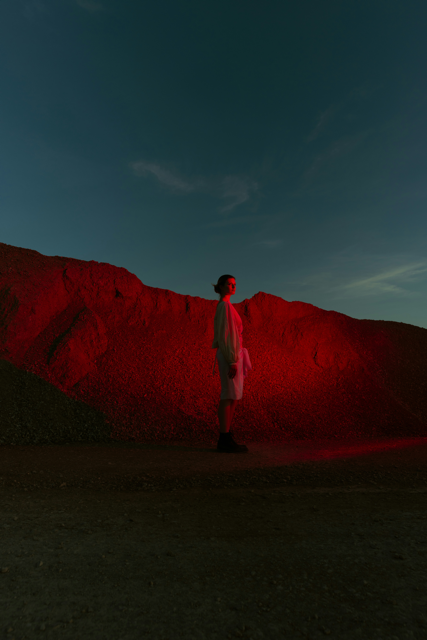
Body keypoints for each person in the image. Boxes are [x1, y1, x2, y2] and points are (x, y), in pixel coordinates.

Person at [211, 274, 252, 453]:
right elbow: (227, 335)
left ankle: (227, 433)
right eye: (229, 284)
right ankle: (224, 438)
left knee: (234, 395)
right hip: (231, 355)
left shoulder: (227, 306)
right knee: (228, 395)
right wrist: (232, 359)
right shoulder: (225, 306)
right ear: (220, 286)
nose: (233, 287)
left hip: (234, 354)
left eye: (234, 284)